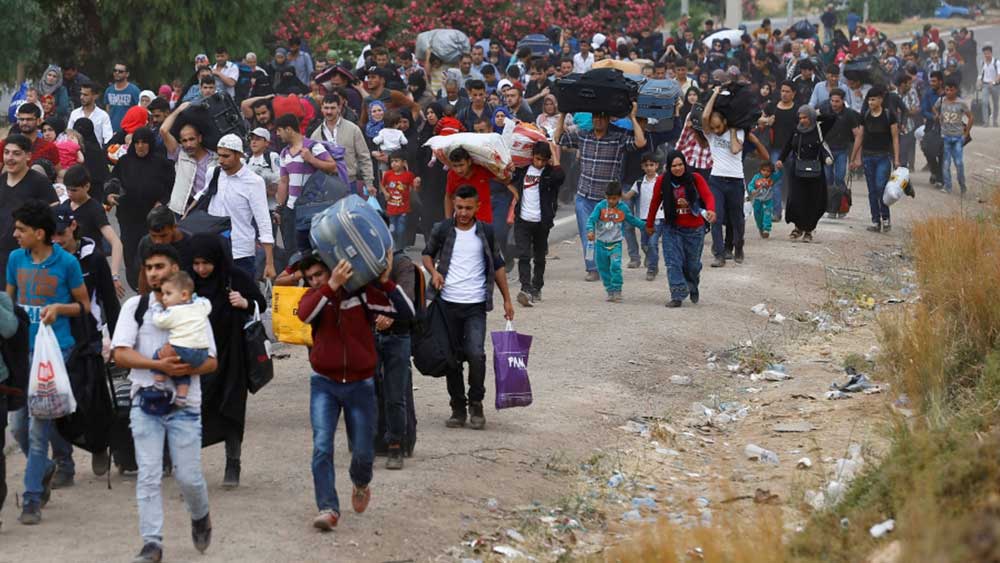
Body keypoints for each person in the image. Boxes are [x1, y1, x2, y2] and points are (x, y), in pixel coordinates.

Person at [111, 244, 216, 562]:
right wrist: (159, 367)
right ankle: (152, 543)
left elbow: (211, 361)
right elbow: (120, 353)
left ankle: (200, 515)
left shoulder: (193, 308)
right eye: (149, 267)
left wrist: (185, 369)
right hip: (145, 403)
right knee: (149, 474)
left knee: (188, 476)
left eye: (160, 266)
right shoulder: (135, 307)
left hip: (185, 407)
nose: (154, 272)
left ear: (174, 269)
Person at [296, 250, 414, 530]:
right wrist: (329, 285)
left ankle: (361, 481)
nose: (314, 281)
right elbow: (303, 315)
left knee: (363, 450)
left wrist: (385, 283)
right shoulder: (315, 298)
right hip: (324, 383)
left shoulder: (361, 295)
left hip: (361, 384)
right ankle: (328, 508)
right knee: (322, 446)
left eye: (319, 275)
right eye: (309, 278)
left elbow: (408, 312)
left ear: (335, 268)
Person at [6, 200, 89, 524]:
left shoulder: (66, 263)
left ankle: (31, 499)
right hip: (21, 354)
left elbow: (83, 306)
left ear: (39, 233)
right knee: (18, 426)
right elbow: (9, 302)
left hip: (56, 352)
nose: (15, 235)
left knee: (39, 428)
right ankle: (47, 467)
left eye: (21, 230)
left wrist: (58, 308)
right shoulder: (15, 259)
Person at [422, 185, 514, 429]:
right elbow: (426, 254)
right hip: (447, 304)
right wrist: (433, 273)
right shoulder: (442, 229)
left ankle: (476, 403)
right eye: (459, 207)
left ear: (478, 207)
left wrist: (507, 298)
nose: (463, 212)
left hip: (475, 305)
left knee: (476, 354)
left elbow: (498, 265)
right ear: (453, 204)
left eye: (468, 208)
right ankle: (457, 408)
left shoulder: (486, 232)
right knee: (451, 359)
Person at [555, 102, 646, 281]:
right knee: (588, 235)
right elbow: (558, 139)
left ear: (607, 119)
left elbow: (640, 142)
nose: (598, 120)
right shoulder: (583, 136)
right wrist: (563, 113)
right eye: (595, 116)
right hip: (584, 196)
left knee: (608, 237)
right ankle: (592, 268)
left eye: (601, 117)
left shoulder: (617, 138)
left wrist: (633, 117)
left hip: (608, 200)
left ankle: (608, 266)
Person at [646, 150, 716, 307]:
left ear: (685, 164)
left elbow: (708, 196)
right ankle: (677, 294)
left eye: (680, 165)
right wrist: (649, 224)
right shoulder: (662, 181)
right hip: (672, 228)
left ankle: (693, 284)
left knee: (692, 265)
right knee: (673, 262)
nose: (677, 168)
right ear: (668, 167)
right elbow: (655, 203)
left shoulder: (695, 178)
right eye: (673, 166)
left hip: (695, 230)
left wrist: (711, 210)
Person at [108, 126, 175, 290]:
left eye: (144, 142)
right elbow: (113, 182)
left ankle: (155, 286)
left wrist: (162, 202)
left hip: (152, 219)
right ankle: (137, 288)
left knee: (152, 254)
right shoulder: (124, 162)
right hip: (129, 218)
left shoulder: (161, 163)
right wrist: (109, 195)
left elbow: (171, 186)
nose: (140, 146)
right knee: (131, 255)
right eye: (137, 142)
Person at [206, 134, 276, 279]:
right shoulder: (213, 173)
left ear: (239, 155)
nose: (221, 160)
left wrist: (269, 262)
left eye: (226, 156)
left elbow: (263, 221)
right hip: (214, 250)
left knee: (244, 298)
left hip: (240, 253)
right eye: (219, 156)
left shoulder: (254, 182)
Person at [51, 209, 120, 338]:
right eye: (52, 235)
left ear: (73, 225)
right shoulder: (46, 257)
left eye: (61, 233)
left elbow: (109, 300)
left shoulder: (94, 257)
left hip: (89, 334)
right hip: (57, 336)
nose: (57, 240)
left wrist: (116, 341)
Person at [276, 113, 340, 253]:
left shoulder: (313, 146)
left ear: (288, 129)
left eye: (279, 130)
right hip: (291, 209)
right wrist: (279, 208)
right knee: (292, 249)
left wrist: (312, 160)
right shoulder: (284, 153)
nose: (277, 134)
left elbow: (333, 166)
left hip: (311, 208)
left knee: (310, 249)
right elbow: (283, 181)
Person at [510, 142, 564, 306]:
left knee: (539, 258)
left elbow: (560, 177)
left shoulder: (550, 174)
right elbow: (506, 178)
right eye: (537, 159)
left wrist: (553, 152)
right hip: (523, 221)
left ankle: (537, 287)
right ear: (532, 156)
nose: (539, 163)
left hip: (542, 222)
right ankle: (525, 288)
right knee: (524, 256)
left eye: (543, 160)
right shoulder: (522, 170)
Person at [59, 166, 125, 295]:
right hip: (68, 269)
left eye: (74, 190)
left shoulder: (94, 209)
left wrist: (114, 275)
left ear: (87, 186)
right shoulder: (64, 206)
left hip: (91, 270)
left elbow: (116, 242)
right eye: (67, 189)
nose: (70, 194)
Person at [0, 135, 59, 275]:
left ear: (28, 156)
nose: (9, 158)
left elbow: (54, 220)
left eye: (16, 153)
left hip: (28, 260)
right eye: (6, 152)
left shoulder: (40, 183)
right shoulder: (1, 181)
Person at [151, 272, 211, 407]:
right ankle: (182, 396)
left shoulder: (174, 311)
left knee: (159, 354)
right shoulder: (199, 306)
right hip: (202, 353)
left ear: (183, 295)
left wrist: (156, 308)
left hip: (183, 349)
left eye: (168, 294)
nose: (164, 298)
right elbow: (207, 305)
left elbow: (160, 321)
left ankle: (159, 383)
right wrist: (197, 300)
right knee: (184, 373)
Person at [702, 86, 747, 267]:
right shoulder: (711, 134)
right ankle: (719, 255)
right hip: (717, 180)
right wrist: (714, 93)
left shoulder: (739, 132)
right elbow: (705, 117)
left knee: (737, 218)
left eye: (718, 126)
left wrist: (734, 130)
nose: (716, 130)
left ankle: (738, 246)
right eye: (713, 128)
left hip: (736, 180)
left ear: (725, 122)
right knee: (716, 217)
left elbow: (735, 149)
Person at [777, 106, 832, 242]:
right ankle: (798, 227)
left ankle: (808, 230)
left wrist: (817, 115)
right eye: (800, 118)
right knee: (796, 199)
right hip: (797, 170)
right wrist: (780, 159)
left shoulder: (819, 129)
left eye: (806, 117)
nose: (802, 120)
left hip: (815, 171)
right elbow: (788, 145)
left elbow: (832, 118)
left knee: (813, 200)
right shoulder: (796, 130)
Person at [585, 181, 647, 302]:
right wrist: (590, 231)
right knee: (603, 268)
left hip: (615, 244)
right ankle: (610, 290)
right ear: (605, 196)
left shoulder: (623, 208)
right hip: (601, 244)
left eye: (614, 199)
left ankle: (617, 290)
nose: (611, 201)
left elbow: (632, 220)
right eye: (609, 198)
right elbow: (591, 220)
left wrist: (645, 226)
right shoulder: (600, 207)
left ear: (619, 197)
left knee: (615, 266)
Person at [851, 86, 901, 233]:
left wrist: (897, 159)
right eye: (869, 99)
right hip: (868, 157)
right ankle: (875, 220)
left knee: (881, 187)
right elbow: (859, 137)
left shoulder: (889, 115)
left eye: (873, 99)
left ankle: (885, 217)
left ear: (881, 99)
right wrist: (853, 158)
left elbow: (895, 138)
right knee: (872, 190)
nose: (871, 102)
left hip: (883, 157)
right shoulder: (865, 115)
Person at [310, 93, 375, 195]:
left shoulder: (353, 129)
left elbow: (364, 157)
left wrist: (369, 183)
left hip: (350, 182)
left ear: (339, 108)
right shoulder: (315, 135)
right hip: (326, 185)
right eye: (326, 108)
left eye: (332, 108)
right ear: (321, 109)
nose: (329, 111)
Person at [160, 102, 219, 215]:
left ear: (200, 138)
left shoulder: (215, 158)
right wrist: (178, 110)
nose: (188, 145)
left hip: (209, 210)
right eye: (184, 141)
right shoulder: (180, 154)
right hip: (182, 210)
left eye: (192, 139)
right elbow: (163, 130)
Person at [135, 206, 196, 294]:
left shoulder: (190, 244)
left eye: (163, 236)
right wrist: (142, 301)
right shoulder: (146, 243)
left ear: (174, 227)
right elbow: (143, 274)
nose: (158, 241)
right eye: (153, 236)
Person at [627, 153, 665, 281]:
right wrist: (617, 193)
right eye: (646, 165)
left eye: (651, 165)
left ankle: (652, 269)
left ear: (657, 166)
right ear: (642, 167)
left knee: (653, 243)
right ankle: (652, 260)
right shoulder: (639, 183)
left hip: (658, 218)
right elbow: (628, 196)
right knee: (645, 244)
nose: (649, 168)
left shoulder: (662, 181)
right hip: (643, 219)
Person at [934, 80, 973, 194]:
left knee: (959, 162)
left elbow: (970, 117)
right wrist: (938, 115)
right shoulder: (941, 101)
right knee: (946, 163)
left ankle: (962, 184)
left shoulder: (961, 103)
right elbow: (934, 108)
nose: (949, 92)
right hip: (945, 137)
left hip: (957, 138)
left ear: (956, 90)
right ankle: (947, 186)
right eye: (947, 90)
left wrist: (965, 134)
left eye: (951, 90)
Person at [1, 104, 61, 170]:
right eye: (21, 119)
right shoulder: (6, 144)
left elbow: (58, 174)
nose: (24, 123)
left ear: (39, 121)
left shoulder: (49, 147)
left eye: (29, 119)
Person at [382, 152, 420, 250]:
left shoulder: (409, 175)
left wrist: (417, 185)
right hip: (391, 208)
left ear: (404, 163)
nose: (394, 164)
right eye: (392, 162)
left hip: (404, 208)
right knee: (392, 230)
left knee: (401, 229)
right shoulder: (388, 174)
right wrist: (385, 193)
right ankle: (394, 247)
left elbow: (415, 190)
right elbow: (382, 185)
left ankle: (400, 248)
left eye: (397, 161)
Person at [746, 161, 783, 239]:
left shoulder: (772, 178)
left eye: (768, 171)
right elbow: (750, 185)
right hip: (757, 200)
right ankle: (761, 228)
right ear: (760, 170)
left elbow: (779, 175)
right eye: (764, 170)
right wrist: (752, 190)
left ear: (771, 172)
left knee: (767, 214)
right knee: (757, 215)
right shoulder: (756, 177)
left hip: (768, 200)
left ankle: (766, 229)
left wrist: (780, 169)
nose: (765, 172)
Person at [104, 63, 142, 132]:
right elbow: (108, 111)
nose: (117, 73)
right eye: (115, 70)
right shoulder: (109, 90)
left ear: (127, 74)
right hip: (111, 131)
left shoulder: (134, 90)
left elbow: (139, 111)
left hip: (128, 131)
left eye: (120, 71)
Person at [980, 46, 1000, 127]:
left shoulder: (997, 62)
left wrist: (994, 81)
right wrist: (979, 81)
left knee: (995, 103)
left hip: (995, 85)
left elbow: (999, 74)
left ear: (991, 53)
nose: (987, 55)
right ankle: (986, 122)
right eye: (985, 54)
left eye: (988, 53)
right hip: (985, 84)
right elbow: (981, 73)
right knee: (984, 102)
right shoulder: (982, 62)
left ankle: (995, 121)